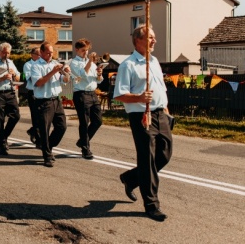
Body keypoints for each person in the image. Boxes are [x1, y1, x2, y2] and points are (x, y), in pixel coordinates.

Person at [113, 24, 173, 222]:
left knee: (164, 154)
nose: (154, 40)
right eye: (150, 37)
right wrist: (139, 98)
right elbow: (120, 95)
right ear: (138, 40)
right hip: (142, 116)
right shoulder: (128, 65)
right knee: (147, 160)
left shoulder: (154, 61)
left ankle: (130, 178)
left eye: (154, 37)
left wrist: (166, 111)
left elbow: (161, 89)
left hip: (161, 115)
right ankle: (152, 205)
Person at [31, 41, 70, 167]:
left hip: (56, 100)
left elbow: (64, 81)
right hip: (44, 101)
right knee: (44, 129)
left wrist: (66, 73)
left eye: (52, 53)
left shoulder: (55, 64)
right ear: (41, 53)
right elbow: (38, 83)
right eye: (48, 53)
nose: (50, 55)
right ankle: (47, 155)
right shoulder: (36, 66)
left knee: (61, 126)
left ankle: (47, 146)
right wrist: (53, 71)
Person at [69, 38, 103, 160]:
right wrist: (89, 62)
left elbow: (98, 80)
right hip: (81, 94)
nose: (86, 53)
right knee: (84, 122)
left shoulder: (92, 63)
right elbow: (81, 76)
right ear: (76, 50)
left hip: (92, 93)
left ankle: (82, 141)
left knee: (98, 121)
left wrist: (99, 73)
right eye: (83, 50)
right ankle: (85, 148)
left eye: (87, 50)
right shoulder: (73, 63)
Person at [0, 42, 21, 155]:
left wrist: (14, 75)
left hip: (10, 92)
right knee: (0, 119)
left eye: (8, 53)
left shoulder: (10, 62)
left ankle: (3, 137)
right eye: (4, 53)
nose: (6, 55)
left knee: (16, 116)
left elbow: (18, 76)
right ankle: (2, 144)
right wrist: (2, 78)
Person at [24, 47, 41, 148]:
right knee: (35, 116)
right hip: (33, 92)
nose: (40, 57)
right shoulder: (28, 65)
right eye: (38, 55)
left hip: (42, 93)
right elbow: (30, 78)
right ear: (32, 55)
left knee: (42, 117)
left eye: (40, 55)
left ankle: (33, 130)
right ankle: (39, 140)